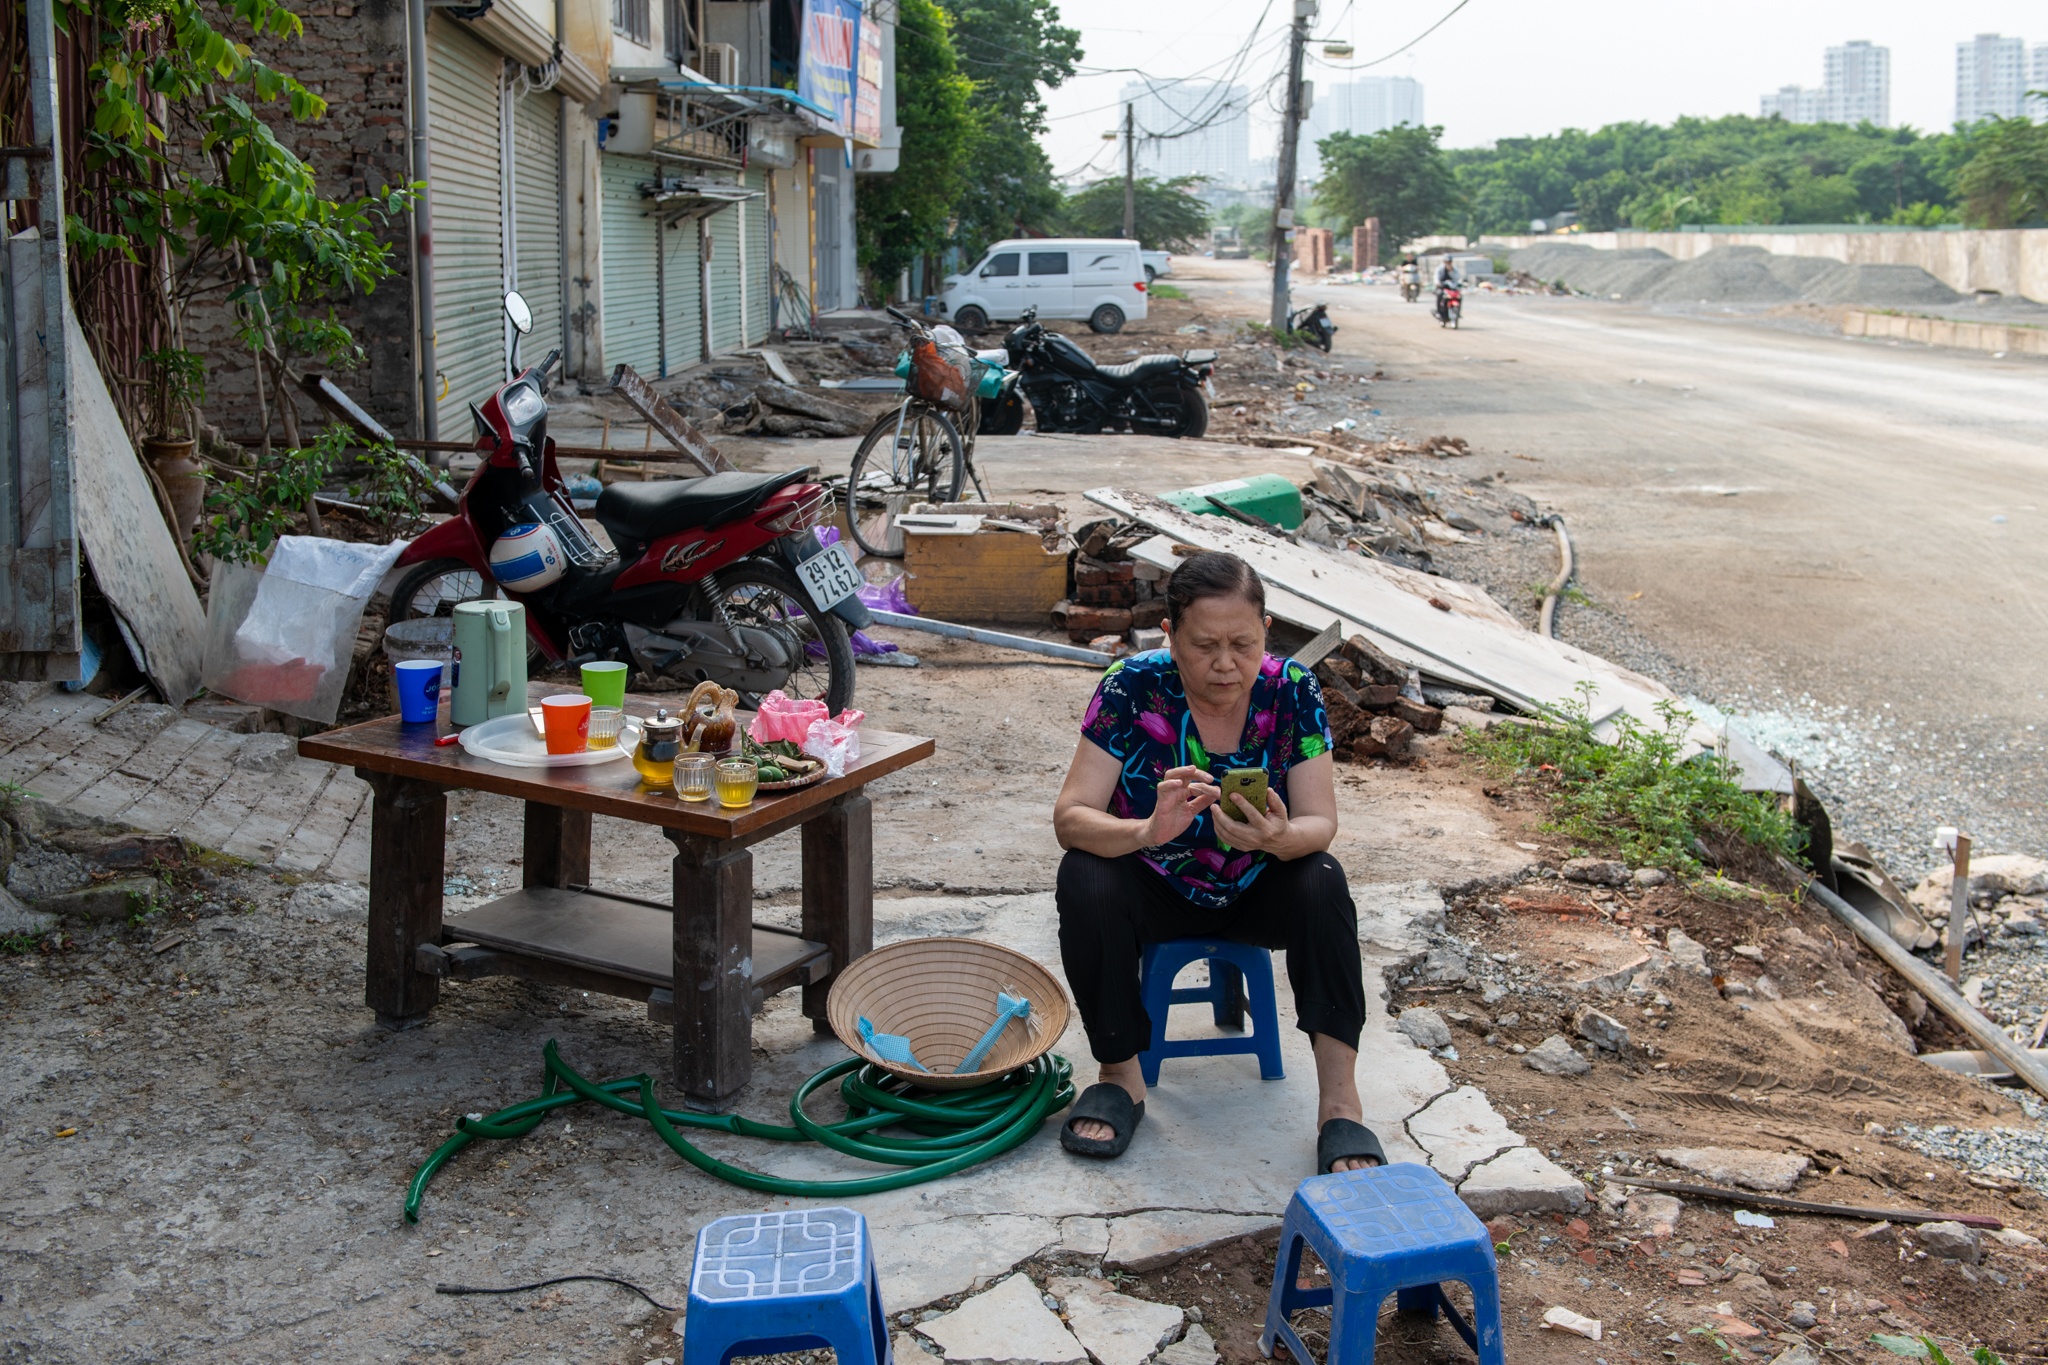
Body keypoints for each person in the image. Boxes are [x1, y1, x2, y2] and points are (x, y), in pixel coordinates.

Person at [1050, 551, 1386, 1174]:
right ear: (1171, 637)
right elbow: (1071, 817)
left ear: (1266, 634)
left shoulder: (1292, 690)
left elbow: (1321, 824)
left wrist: (1277, 839)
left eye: (1245, 643)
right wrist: (1146, 831)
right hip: (1154, 886)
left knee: (1322, 881)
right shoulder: (1131, 687)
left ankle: (1341, 1105)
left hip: (1258, 887)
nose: (1227, 664)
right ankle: (1120, 1077)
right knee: (1085, 874)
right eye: (1205, 645)